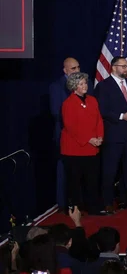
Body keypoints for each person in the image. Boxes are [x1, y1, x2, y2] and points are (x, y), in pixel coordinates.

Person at [97, 56, 127, 214]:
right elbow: (103, 110)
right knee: (110, 171)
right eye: (123, 66)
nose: (126, 69)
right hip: (113, 136)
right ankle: (107, 202)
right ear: (113, 67)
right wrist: (122, 116)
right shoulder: (104, 86)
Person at [60, 71, 103, 214]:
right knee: (74, 182)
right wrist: (89, 139)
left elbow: (99, 121)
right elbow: (70, 126)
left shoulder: (92, 100)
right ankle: (75, 209)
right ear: (74, 86)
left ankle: (93, 208)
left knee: (92, 180)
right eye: (81, 84)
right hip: (74, 150)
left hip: (92, 148)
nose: (85, 86)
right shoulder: (68, 103)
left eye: (85, 83)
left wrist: (100, 137)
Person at [50, 56, 79, 212]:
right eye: (73, 68)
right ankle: (62, 204)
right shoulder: (56, 87)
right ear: (65, 70)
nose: (76, 71)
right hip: (65, 134)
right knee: (64, 170)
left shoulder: (83, 86)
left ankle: (77, 202)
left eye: (78, 67)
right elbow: (56, 112)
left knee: (79, 170)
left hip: (82, 136)